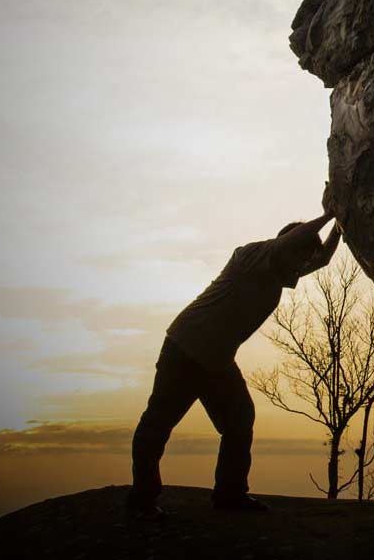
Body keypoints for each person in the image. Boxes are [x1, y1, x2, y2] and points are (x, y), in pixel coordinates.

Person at [129, 213, 341, 520]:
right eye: (300, 258)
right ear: (287, 249)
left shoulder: (280, 273)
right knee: (157, 424)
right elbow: (293, 244)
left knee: (240, 420)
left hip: (217, 359)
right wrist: (329, 212)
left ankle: (230, 494)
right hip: (185, 349)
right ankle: (142, 500)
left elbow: (320, 260)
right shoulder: (253, 254)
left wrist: (342, 222)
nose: (301, 268)